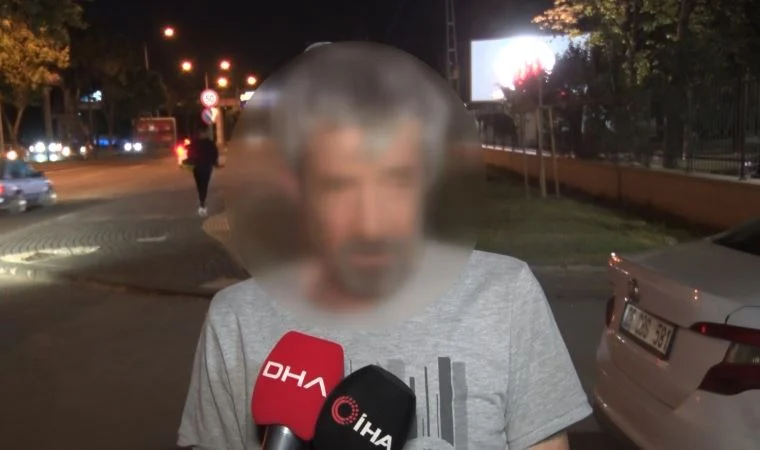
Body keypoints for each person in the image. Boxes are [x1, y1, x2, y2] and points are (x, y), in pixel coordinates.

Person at [178, 43, 590, 450]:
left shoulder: (505, 296)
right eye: (338, 185)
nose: (371, 224)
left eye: (397, 181)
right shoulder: (236, 323)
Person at [186, 129, 219, 217]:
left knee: (199, 183)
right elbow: (215, 153)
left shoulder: (194, 143)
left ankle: (201, 197)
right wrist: (215, 163)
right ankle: (202, 199)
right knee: (204, 183)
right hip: (206, 166)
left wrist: (190, 161)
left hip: (197, 167)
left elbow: (189, 153)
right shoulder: (210, 143)